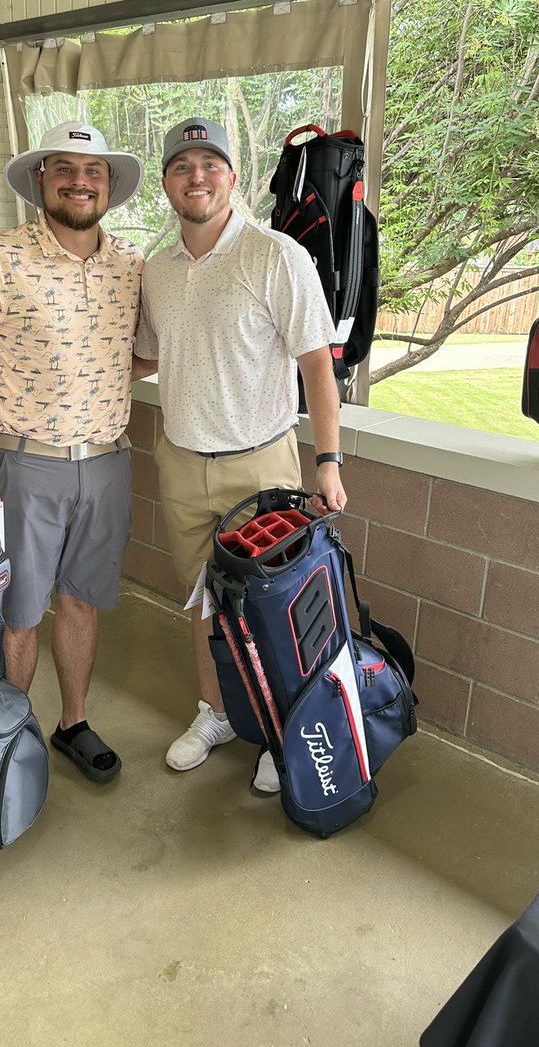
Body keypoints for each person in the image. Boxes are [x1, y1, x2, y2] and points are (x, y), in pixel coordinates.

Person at [133, 117, 347, 794]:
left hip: (261, 466)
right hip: (180, 461)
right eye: (181, 166)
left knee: (271, 606)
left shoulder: (275, 254)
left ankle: (285, 727)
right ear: (167, 183)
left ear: (232, 176)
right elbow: (145, 355)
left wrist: (329, 461)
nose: (196, 176)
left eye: (210, 163)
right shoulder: (158, 272)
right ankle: (218, 712)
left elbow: (318, 363)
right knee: (203, 602)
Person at [0, 121, 144, 785]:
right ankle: (10, 737)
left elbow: (135, 352)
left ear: (108, 185)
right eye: (65, 169)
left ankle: (71, 723)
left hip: (108, 461)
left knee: (81, 600)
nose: (80, 181)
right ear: (39, 180)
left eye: (94, 172)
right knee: (19, 610)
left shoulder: (132, 264)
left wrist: (92, 376)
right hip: (23, 463)